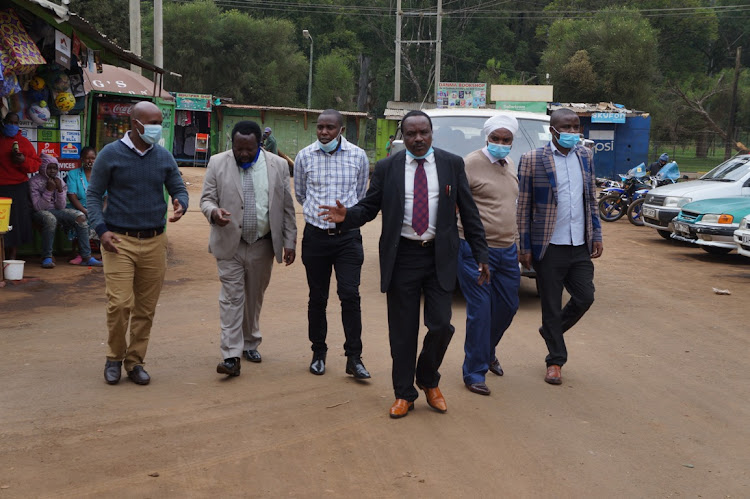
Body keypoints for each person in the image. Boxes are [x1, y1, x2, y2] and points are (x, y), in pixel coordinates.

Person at [320, 110, 489, 418]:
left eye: (423, 132)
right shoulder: (388, 168)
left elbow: (469, 211)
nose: (418, 139)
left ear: (431, 133)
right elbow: (370, 207)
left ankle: (427, 379)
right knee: (402, 330)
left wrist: (481, 254)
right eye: (411, 134)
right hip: (403, 257)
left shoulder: (452, 164)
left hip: (439, 255)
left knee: (440, 325)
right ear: (402, 136)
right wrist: (349, 217)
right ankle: (404, 393)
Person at [87, 101, 189, 386]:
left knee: (146, 307)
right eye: (152, 122)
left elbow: (177, 187)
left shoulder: (163, 156)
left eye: (159, 122)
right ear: (135, 123)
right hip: (119, 241)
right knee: (119, 304)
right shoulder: (110, 154)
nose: (157, 128)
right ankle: (113, 357)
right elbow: (93, 195)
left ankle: (135, 362)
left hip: (155, 241)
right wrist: (101, 229)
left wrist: (182, 202)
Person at [200, 121, 297, 377]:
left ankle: (250, 340)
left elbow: (286, 207)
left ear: (259, 145)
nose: (243, 153)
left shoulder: (277, 165)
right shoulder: (217, 163)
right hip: (230, 242)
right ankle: (231, 355)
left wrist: (290, 241)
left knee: (254, 297)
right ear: (231, 144)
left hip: (263, 245)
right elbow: (207, 199)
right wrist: (213, 212)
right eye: (238, 148)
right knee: (232, 298)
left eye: (248, 149)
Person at [516, 108, 603, 386]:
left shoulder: (585, 156)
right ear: (552, 130)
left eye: (576, 127)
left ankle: (550, 331)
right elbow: (523, 206)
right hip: (548, 244)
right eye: (566, 127)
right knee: (551, 305)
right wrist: (524, 245)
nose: (572, 132)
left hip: (579, 243)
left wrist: (597, 234)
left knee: (585, 297)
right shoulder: (532, 160)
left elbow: (590, 198)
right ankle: (555, 361)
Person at [294, 109, 371, 379]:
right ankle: (318, 352)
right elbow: (301, 195)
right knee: (317, 298)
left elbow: (360, 194)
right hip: (315, 238)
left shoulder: (358, 156)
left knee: (350, 295)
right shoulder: (305, 156)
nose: (324, 132)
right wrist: (320, 217)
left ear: (341, 130)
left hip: (347, 238)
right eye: (320, 127)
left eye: (329, 127)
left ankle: (354, 357)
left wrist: (343, 218)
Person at [459, 114, 521, 396]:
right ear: (486, 137)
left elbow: (510, 207)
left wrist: (517, 245)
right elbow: (454, 204)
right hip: (474, 250)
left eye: (506, 140)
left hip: (507, 249)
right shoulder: (470, 163)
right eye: (495, 139)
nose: (500, 144)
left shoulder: (509, 165)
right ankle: (474, 372)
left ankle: (487, 350)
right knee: (481, 313)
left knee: (508, 306)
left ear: (512, 141)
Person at [28, 154, 102, 268]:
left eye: (55, 168)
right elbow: (38, 207)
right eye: (49, 168)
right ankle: (47, 256)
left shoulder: (60, 181)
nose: (52, 171)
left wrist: (60, 190)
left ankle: (86, 257)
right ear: (43, 168)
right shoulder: (34, 181)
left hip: (56, 211)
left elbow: (61, 206)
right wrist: (48, 190)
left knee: (80, 217)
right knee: (49, 218)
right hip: (39, 213)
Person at [0, 112, 40, 260]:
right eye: (9, 122)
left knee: (15, 222)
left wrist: (22, 160)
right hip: (1, 188)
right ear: (4, 123)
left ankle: (12, 257)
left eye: (15, 122)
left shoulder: (24, 142)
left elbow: (35, 165)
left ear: (18, 125)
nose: (12, 125)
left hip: (18, 188)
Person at [66, 146, 103, 263]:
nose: (90, 161)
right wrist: (85, 210)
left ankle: (104, 254)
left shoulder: (101, 175)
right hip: (79, 207)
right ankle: (80, 254)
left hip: (97, 208)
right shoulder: (73, 174)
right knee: (80, 217)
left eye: (93, 158)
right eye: (87, 158)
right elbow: (72, 196)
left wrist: (103, 210)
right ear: (82, 159)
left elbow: (106, 195)